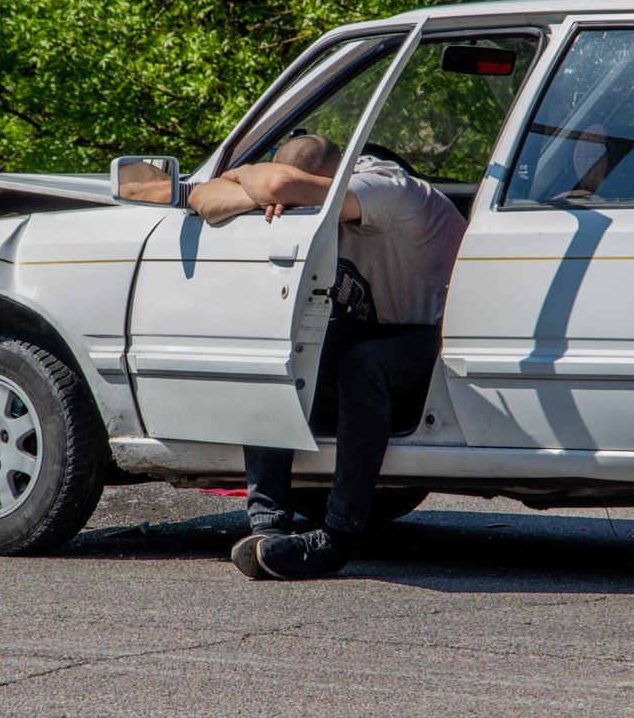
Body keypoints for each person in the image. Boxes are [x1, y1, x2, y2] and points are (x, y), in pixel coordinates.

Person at [188, 134, 467, 579]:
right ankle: (268, 524)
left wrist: (251, 182)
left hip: (445, 340)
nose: (283, 212)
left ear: (334, 180)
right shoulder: (316, 194)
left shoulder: (390, 188)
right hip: (375, 331)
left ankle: (337, 537)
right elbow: (203, 198)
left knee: (365, 362)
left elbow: (278, 184)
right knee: (278, 342)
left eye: (301, 197)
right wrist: (248, 188)